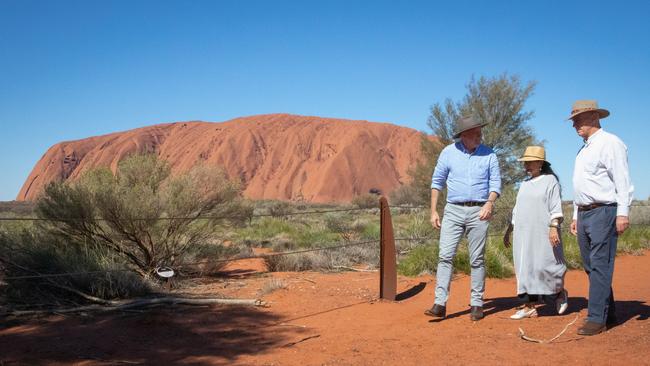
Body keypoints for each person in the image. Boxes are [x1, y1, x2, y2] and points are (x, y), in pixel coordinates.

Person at [424, 116, 501, 321]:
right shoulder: (448, 153)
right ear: (464, 135)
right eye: (475, 133)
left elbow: (495, 184)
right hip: (453, 210)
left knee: (477, 259)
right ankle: (440, 303)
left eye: (480, 132)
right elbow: (437, 182)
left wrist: (489, 203)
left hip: (479, 211)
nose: (480, 136)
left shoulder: (489, 155)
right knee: (445, 256)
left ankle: (477, 303)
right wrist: (433, 211)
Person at [568, 100, 633, 336]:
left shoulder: (610, 143)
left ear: (594, 117)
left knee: (600, 265)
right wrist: (575, 215)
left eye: (578, 118)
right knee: (591, 266)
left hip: (604, 211)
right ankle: (610, 312)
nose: (574, 123)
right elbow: (580, 187)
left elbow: (622, 181)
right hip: (585, 213)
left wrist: (622, 213)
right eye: (573, 119)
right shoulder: (583, 149)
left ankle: (596, 318)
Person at [503, 146, 568, 319]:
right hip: (523, 234)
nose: (527, 166)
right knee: (526, 268)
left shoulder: (550, 181)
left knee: (544, 265)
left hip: (543, 232)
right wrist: (509, 229)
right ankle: (529, 306)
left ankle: (559, 292)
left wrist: (554, 226)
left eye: (530, 162)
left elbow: (556, 207)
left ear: (540, 163)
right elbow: (517, 210)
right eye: (525, 163)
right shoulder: (524, 184)